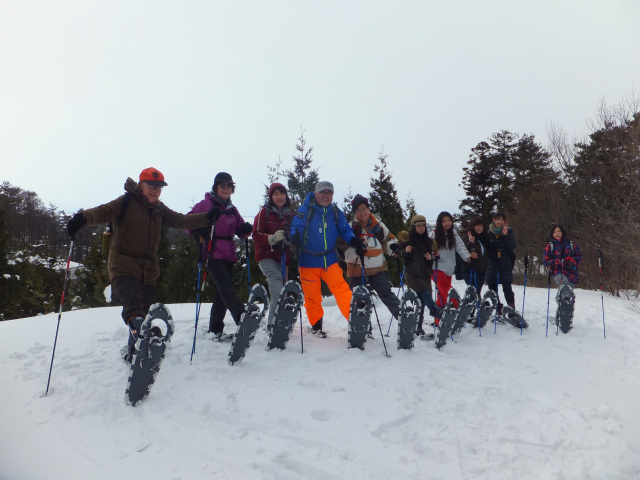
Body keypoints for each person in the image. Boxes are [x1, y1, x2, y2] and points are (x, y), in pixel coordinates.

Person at [66, 167, 217, 361]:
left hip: (148, 271)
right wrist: (82, 218)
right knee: (133, 305)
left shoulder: (159, 209)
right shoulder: (126, 202)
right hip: (123, 265)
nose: (155, 190)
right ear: (140, 185)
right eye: (150, 186)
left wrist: (206, 218)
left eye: (158, 187)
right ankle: (144, 341)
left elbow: (182, 220)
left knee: (145, 313)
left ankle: (133, 352)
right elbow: (103, 212)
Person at [289, 181, 365, 336]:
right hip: (308, 261)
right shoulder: (305, 209)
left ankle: (355, 320)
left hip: (329, 260)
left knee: (342, 290)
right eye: (323, 192)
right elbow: (297, 225)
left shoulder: (335, 211)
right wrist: (295, 236)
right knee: (312, 297)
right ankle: (316, 326)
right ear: (316, 193)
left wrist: (353, 240)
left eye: (329, 193)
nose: (326, 195)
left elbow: (345, 229)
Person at [188, 172, 254, 340]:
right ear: (216, 187)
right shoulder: (206, 204)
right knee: (225, 286)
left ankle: (215, 329)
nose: (226, 188)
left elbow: (239, 228)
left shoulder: (231, 208)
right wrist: (199, 229)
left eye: (229, 186)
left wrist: (245, 229)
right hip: (212, 252)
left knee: (221, 292)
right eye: (222, 185)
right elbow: (188, 223)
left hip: (229, 254)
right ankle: (241, 316)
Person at [338, 194, 400, 328]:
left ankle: (403, 317)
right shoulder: (349, 228)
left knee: (387, 294)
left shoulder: (378, 225)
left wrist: (393, 247)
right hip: (357, 271)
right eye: (358, 210)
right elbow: (344, 255)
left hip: (379, 268)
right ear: (355, 213)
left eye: (364, 208)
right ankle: (362, 328)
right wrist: (357, 251)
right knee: (360, 301)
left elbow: (389, 240)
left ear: (368, 209)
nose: (362, 212)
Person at [252, 183, 295, 328]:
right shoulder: (264, 213)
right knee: (277, 282)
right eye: (276, 194)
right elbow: (256, 235)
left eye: (282, 194)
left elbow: (295, 235)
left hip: (283, 256)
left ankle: (279, 320)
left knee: (283, 288)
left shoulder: (290, 215)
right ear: (271, 197)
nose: (279, 197)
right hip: (265, 255)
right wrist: (272, 238)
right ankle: (273, 324)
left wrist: (290, 239)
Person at [397, 215, 441, 336]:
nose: (421, 228)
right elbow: (400, 255)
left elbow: (430, 263)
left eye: (423, 226)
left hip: (425, 273)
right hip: (412, 273)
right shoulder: (407, 240)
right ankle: (435, 310)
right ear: (413, 227)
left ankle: (418, 327)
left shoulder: (428, 242)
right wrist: (405, 251)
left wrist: (430, 258)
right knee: (425, 292)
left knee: (420, 302)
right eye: (418, 226)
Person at [429, 211, 472, 309]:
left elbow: (460, 247)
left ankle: (439, 315)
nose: (447, 223)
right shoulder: (433, 234)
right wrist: (432, 254)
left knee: (442, 294)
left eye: (449, 220)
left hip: (449, 268)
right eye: (444, 221)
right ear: (439, 223)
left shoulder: (453, 234)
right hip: (436, 268)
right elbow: (426, 249)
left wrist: (468, 257)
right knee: (447, 290)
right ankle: (457, 305)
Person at [485, 211, 516, 313]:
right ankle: (498, 307)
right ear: (493, 220)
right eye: (497, 219)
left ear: (505, 221)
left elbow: (511, 247)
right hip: (491, 264)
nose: (499, 222)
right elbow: (486, 249)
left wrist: (505, 235)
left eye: (502, 220)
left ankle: (511, 309)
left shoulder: (509, 232)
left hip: (505, 264)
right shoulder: (489, 233)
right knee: (492, 288)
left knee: (507, 288)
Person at [461, 215, 489, 296]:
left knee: (477, 291)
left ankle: (472, 302)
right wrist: (470, 242)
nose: (479, 228)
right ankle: (473, 303)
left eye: (481, 226)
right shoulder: (467, 237)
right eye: (477, 225)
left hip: (481, 269)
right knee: (474, 291)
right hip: (469, 269)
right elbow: (462, 251)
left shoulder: (484, 238)